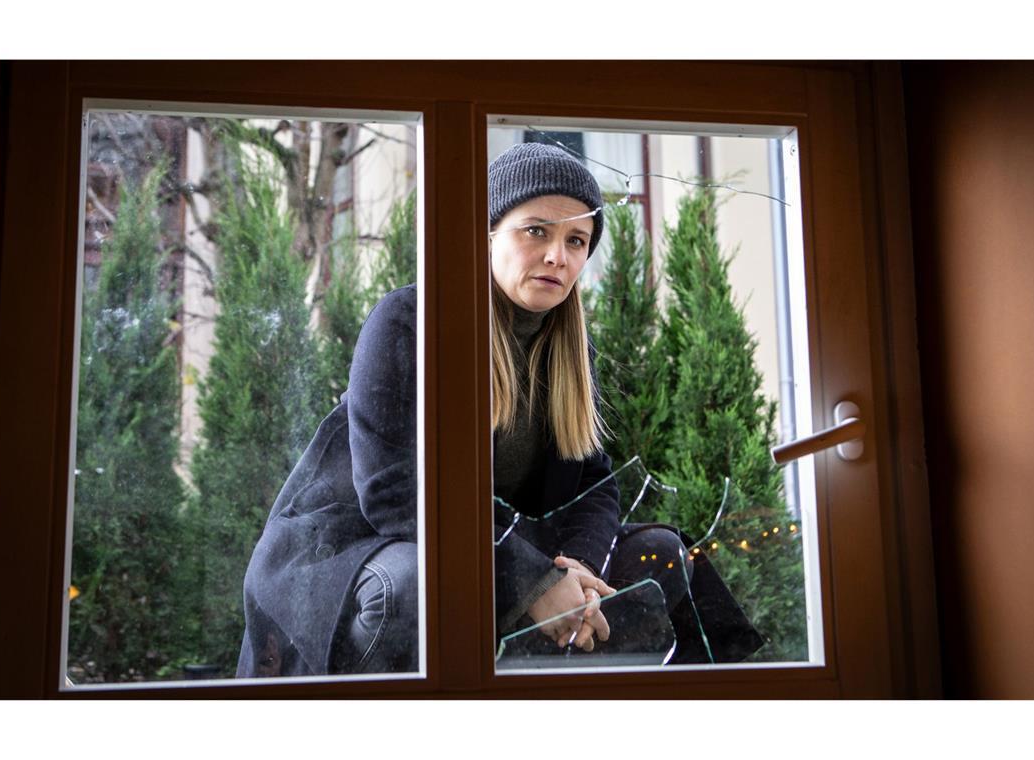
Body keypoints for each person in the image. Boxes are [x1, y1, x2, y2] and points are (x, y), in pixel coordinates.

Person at [237, 143, 761, 678]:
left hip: (498, 547)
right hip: (361, 544)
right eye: (536, 231)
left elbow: (594, 486)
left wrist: (575, 569)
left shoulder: (572, 355)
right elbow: (392, 492)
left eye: (575, 240)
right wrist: (532, 581)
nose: (558, 255)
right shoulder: (407, 322)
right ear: (486, 233)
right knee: (415, 584)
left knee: (662, 552)